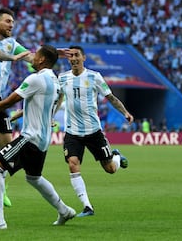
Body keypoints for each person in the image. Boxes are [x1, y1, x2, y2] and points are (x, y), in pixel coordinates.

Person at [0, 7, 72, 208]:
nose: (12, 25)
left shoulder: (12, 44)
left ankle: (2, 188)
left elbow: (32, 57)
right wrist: (12, 58)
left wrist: (54, 55)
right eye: (8, 21)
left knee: (7, 145)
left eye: (13, 23)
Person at [57, 45, 134, 217]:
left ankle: (116, 157)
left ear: (84, 58)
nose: (74, 58)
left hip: (93, 131)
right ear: (68, 59)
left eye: (77, 55)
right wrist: (50, 117)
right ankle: (87, 206)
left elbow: (111, 97)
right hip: (72, 132)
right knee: (72, 163)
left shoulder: (94, 77)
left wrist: (125, 112)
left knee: (110, 169)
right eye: (71, 56)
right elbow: (58, 99)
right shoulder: (62, 78)